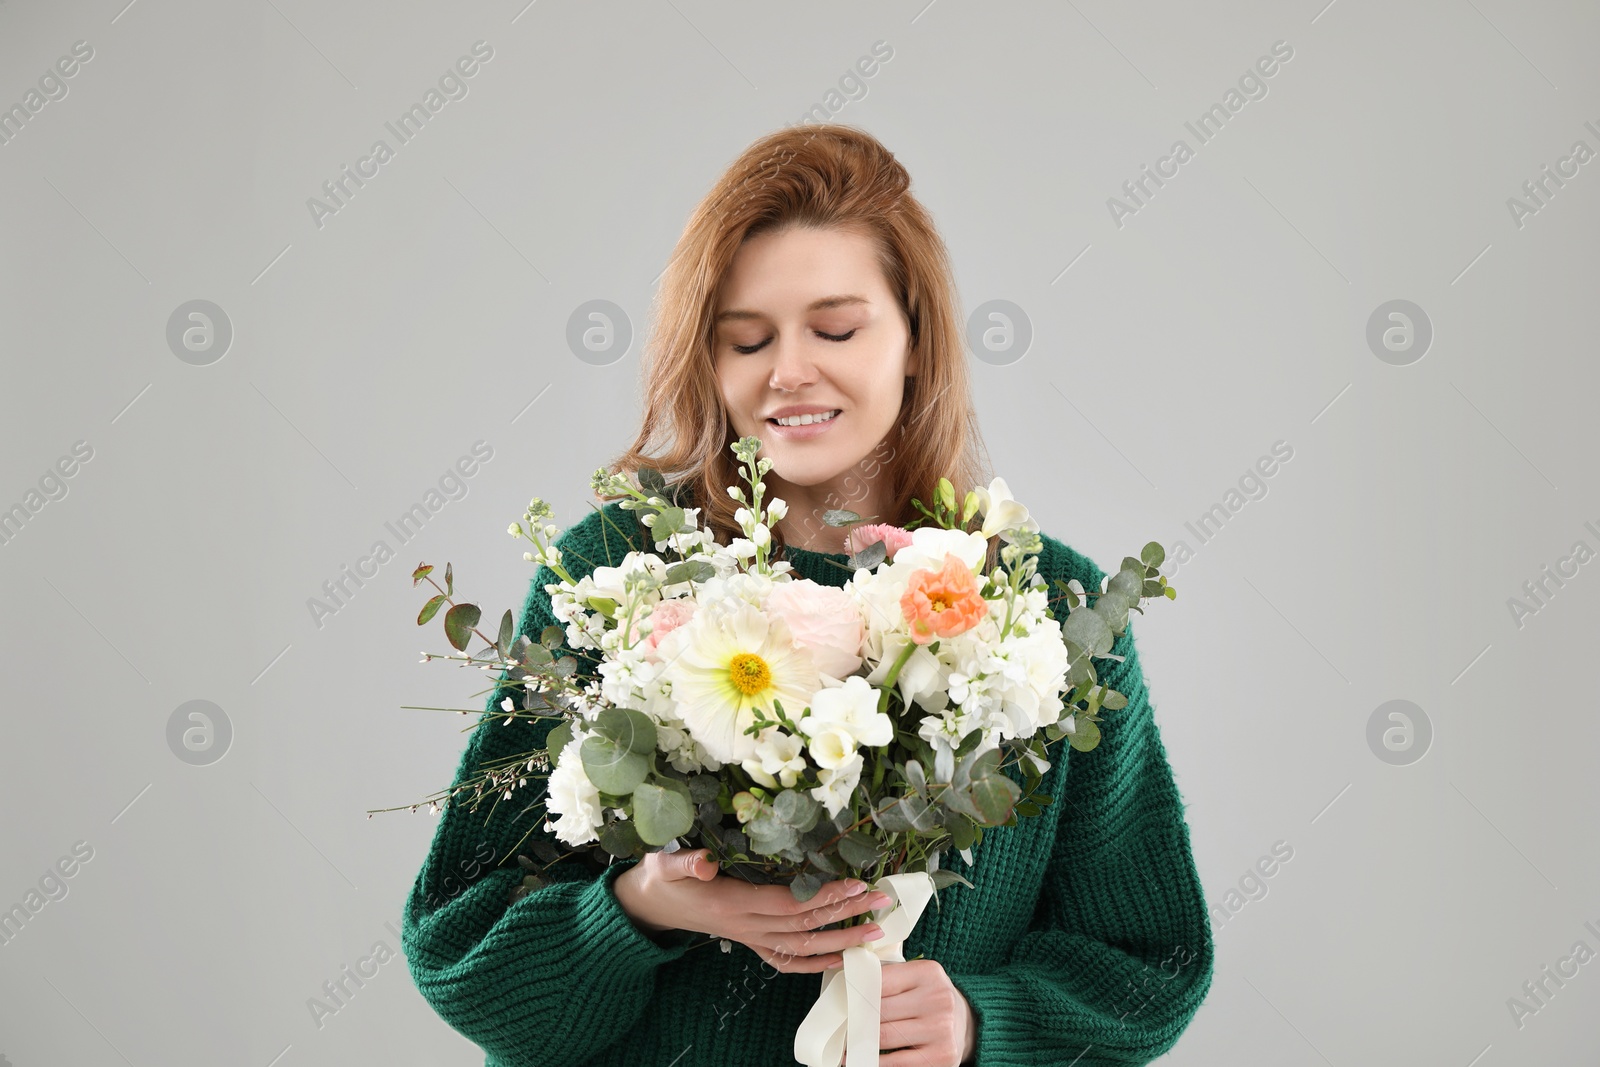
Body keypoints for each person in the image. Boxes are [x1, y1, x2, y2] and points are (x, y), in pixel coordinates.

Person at [401, 123, 1213, 1067]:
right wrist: (642, 907)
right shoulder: (607, 577)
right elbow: (463, 956)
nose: (788, 370)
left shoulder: (1048, 614)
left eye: (835, 328)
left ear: (915, 339)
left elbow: (1153, 962)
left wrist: (986, 1023)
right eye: (747, 339)